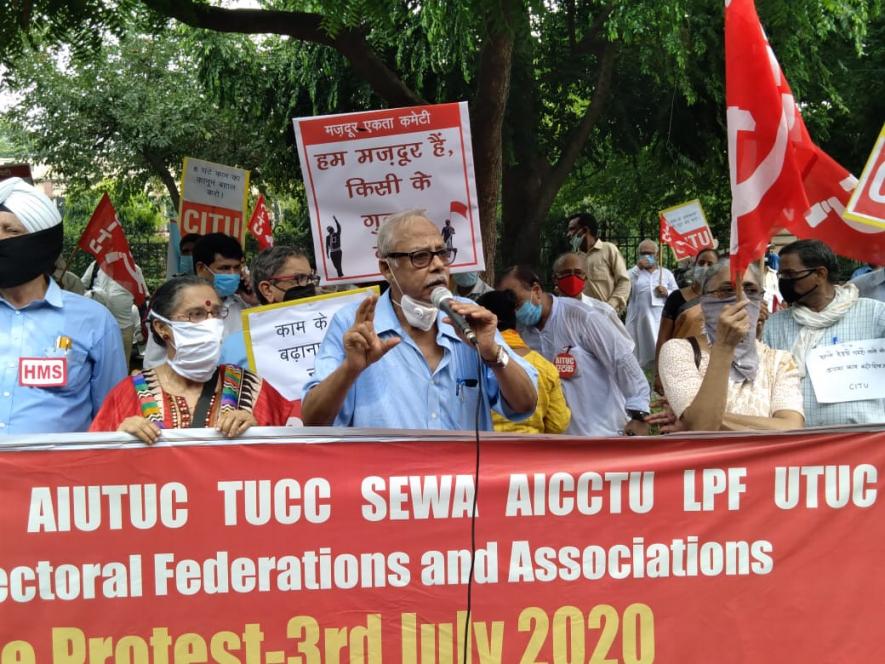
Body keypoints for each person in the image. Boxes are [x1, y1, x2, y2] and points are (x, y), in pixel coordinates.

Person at [301, 210, 538, 429]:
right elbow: (313, 421)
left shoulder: (471, 319)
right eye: (420, 256)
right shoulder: (353, 325)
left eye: (442, 254)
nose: (437, 266)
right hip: (384, 475)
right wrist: (350, 370)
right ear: (386, 267)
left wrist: (493, 354)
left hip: (465, 475)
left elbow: (525, 405)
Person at [90, 276, 297, 443]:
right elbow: (90, 465)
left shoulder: (251, 386)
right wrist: (118, 438)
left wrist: (260, 433)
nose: (210, 323)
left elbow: (295, 447)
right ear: (162, 328)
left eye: (215, 313)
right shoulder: (128, 394)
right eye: (195, 314)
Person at [0, 177, 126, 434]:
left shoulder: (94, 321)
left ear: (41, 242)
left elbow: (113, 418)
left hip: (57, 474)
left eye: (11, 231)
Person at [497, 265, 651, 437]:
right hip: (557, 442)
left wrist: (639, 414)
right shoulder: (519, 332)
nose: (515, 311)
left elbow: (622, 361)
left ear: (536, 290)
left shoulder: (582, 318)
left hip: (603, 433)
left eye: (516, 302)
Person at [657, 258, 804, 431]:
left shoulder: (779, 361)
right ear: (704, 301)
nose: (741, 300)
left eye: (751, 290)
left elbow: (791, 428)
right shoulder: (680, 352)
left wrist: (695, 418)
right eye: (727, 290)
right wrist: (724, 346)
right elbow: (702, 428)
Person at [763, 239, 885, 426]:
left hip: (864, 443)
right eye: (781, 275)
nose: (783, 282)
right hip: (798, 442)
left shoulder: (875, 314)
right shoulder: (775, 325)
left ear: (820, 274)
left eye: (790, 274)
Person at [144, 233, 246, 369]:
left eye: (237, 267)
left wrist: (255, 301)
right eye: (224, 268)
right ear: (201, 268)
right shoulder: (173, 307)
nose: (232, 274)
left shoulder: (244, 305)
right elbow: (154, 364)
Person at [477, 290, 571, 434]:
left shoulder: (472, 363)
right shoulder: (545, 367)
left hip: (480, 453)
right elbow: (558, 424)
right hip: (532, 453)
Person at [220, 245, 320, 368]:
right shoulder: (237, 347)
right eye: (299, 278)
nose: (308, 286)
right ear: (267, 290)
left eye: (311, 278)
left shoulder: (329, 332)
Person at [654, 247, 719, 390]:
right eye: (701, 263)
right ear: (694, 266)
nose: (705, 267)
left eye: (710, 264)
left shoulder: (723, 300)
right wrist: (658, 373)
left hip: (711, 368)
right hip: (679, 365)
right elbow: (663, 338)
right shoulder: (676, 298)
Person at [551, 251, 631, 341]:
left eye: (578, 273)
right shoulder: (549, 314)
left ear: (585, 279)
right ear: (555, 279)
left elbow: (624, 349)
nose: (573, 277)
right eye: (566, 273)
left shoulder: (603, 312)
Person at [82, 258, 147, 366]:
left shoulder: (134, 269)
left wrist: (142, 330)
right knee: (99, 366)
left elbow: (142, 296)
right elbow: (81, 287)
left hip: (124, 329)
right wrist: (91, 294)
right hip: (98, 329)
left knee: (122, 367)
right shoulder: (96, 265)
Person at [625, 239, 679, 370]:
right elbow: (624, 282)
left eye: (650, 253)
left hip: (659, 320)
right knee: (638, 355)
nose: (646, 256)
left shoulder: (666, 274)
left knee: (660, 351)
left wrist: (667, 292)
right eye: (643, 253)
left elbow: (677, 295)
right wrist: (638, 267)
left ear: (657, 254)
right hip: (639, 320)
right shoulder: (634, 273)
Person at [564, 211, 631, 313]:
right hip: (581, 317)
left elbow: (624, 281)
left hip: (607, 317)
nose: (568, 234)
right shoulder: (574, 258)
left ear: (585, 230)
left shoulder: (608, 249)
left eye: (572, 229)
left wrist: (610, 307)